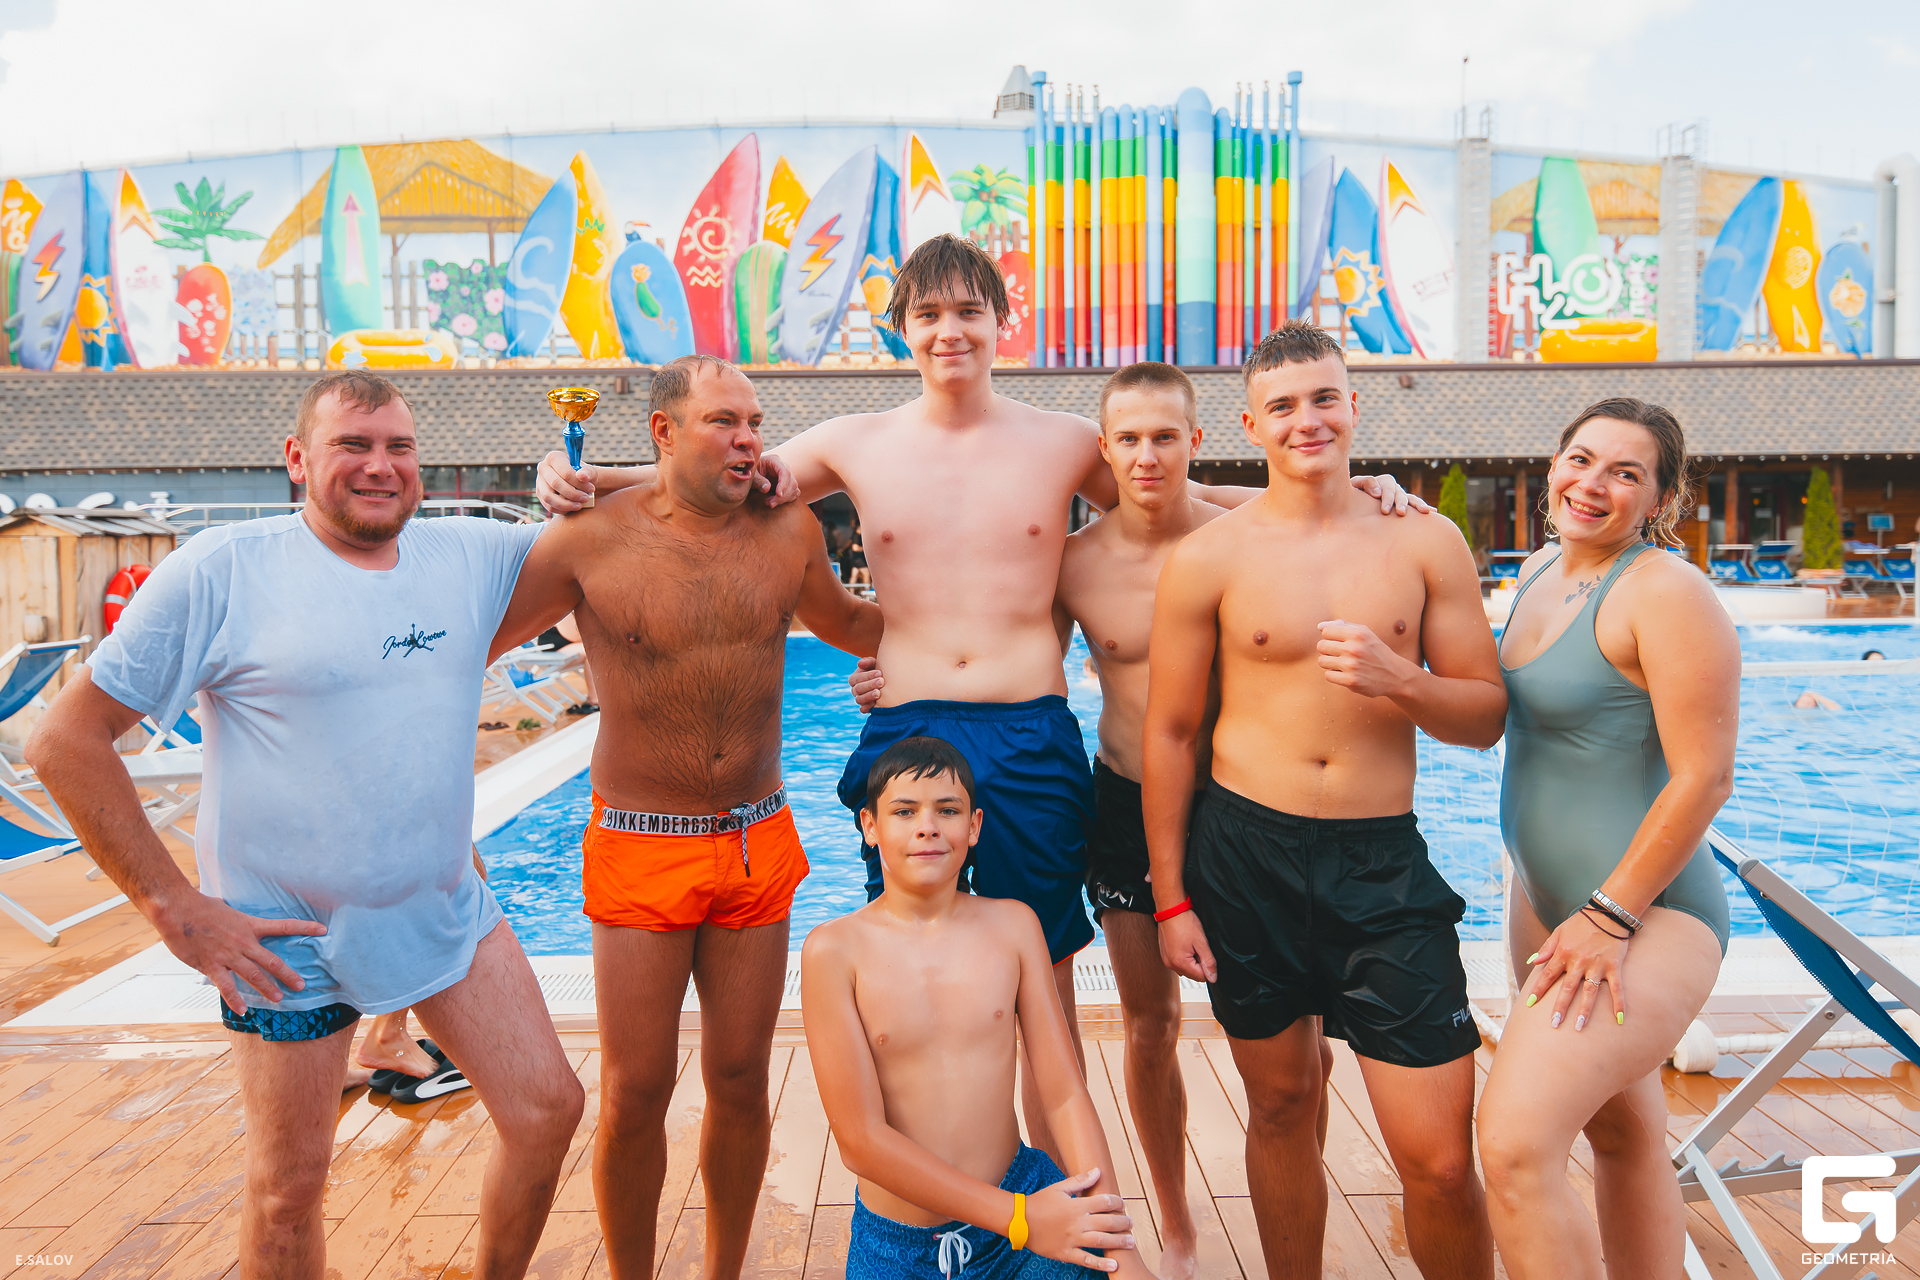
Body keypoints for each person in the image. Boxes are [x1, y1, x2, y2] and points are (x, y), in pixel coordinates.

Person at [537, 234, 1419, 1153]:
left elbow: (1177, 501)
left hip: (1028, 733)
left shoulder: (1064, 441)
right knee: (911, 983)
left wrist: (1347, 490)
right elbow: (718, 478)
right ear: (902, 330)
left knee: (1045, 989)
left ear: (1003, 321)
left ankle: (1069, 1206)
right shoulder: (854, 442)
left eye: (968, 311)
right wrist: (589, 479)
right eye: (928, 314)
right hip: (908, 728)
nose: (949, 331)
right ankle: (933, 1203)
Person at [24, 370, 585, 1280]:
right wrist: (174, 908)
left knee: (547, 1111)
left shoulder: (468, 557)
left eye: (399, 447)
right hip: (286, 944)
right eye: (352, 445)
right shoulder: (224, 568)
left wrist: (584, 479)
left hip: (444, 908)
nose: (380, 466)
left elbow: (611, 536)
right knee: (288, 1188)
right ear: (296, 458)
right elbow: (64, 742)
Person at [851, 361, 1337, 1279]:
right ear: (1103, 452)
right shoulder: (1074, 563)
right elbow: (999, 645)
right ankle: (1176, 1225)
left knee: (1297, 1046)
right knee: (1150, 1026)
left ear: (1196, 441)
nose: (1146, 455)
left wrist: (1376, 485)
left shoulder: (1245, 535)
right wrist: (891, 673)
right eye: (1130, 440)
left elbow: (1301, 504)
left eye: (1166, 437)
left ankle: (1296, 1204)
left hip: (1247, 803)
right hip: (1124, 801)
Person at [492, 354, 884, 1280]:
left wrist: (971, 634)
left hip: (756, 836)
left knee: (742, 1079)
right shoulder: (586, 539)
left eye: (755, 423)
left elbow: (854, 625)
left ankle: (723, 1273)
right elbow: (473, 645)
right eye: (725, 422)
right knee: (634, 1091)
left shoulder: (788, 529)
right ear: (663, 431)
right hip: (641, 841)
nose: (750, 440)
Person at [1143, 320, 1505, 1280]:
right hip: (1244, 857)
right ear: (1251, 425)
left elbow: (1485, 716)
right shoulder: (1211, 557)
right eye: (1284, 406)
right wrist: (1172, 899)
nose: (1307, 420)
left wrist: (1402, 679)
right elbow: (1170, 734)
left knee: (1438, 1159)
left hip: (1380, 864)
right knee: (1280, 1106)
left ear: (1353, 405)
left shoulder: (1423, 539)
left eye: (1325, 398)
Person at [1474, 398, 1736, 1280]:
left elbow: (1705, 777)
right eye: (1581, 460)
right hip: (1546, 901)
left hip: (1645, 915)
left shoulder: (1667, 593)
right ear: (1554, 465)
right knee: (1623, 1135)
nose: (1593, 484)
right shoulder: (1539, 568)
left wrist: (1609, 916)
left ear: (1660, 500)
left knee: (1513, 1145)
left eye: (1626, 473)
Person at [802, 736, 1154, 1279]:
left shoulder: (1013, 927)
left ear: (975, 826)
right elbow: (861, 1142)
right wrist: (1020, 1219)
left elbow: (1063, 1095)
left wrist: (1121, 1251)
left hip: (1025, 1203)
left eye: (947, 810)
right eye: (904, 811)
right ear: (870, 826)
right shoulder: (834, 952)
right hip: (902, 1245)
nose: (927, 826)